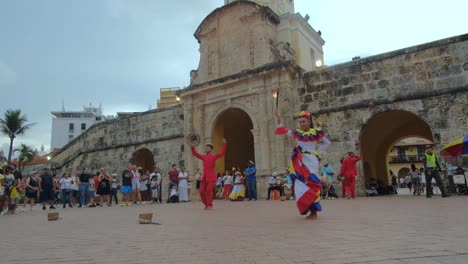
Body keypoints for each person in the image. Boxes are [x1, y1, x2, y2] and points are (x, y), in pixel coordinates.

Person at [274, 111, 330, 219]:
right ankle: (307, 207)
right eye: (300, 122)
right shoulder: (297, 133)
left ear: (309, 122)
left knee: (312, 183)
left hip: (311, 161)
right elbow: (284, 130)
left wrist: (317, 152)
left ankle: (314, 211)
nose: (302, 124)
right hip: (300, 161)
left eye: (304, 121)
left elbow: (327, 143)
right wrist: (279, 118)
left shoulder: (315, 132)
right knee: (300, 183)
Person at [191, 138, 227, 209]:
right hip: (204, 177)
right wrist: (192, 146)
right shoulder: (204, 157)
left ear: (211, 149)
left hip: (211, 177)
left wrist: (224, 144)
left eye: (207, 148)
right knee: (201, 191)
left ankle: (210, 205)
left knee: (208, 191)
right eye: (205, 148)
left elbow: (222, 153)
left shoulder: (214, 156)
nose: (206, 149)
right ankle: (206, 204)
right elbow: (195, 154)